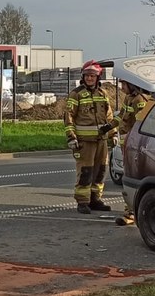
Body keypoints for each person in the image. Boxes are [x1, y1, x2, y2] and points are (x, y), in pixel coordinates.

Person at [65, 60, 114, 214]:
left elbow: (109, 116)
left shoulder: (103, 94)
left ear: (98, 77)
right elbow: (68, 117)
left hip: (102, 141)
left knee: (100, 171)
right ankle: (83, 202)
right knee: (85, 172)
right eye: (87, 76)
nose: (89, 78)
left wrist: (113, 134)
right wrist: (71, 137)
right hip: (84, 142)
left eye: (92, 76)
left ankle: (95, 199)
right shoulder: (76, 94)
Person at [109, 80, 151, 226]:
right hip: (127, 146)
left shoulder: (141, 100)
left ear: (132, 85)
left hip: (135, 146)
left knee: (133, 179)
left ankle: (131, 213)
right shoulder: (129, 98)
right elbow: (121, 116)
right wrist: (109, 126)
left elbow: (141, 123)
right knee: (128, 178)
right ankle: (131, 211)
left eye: (124, 85)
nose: (121, 88)